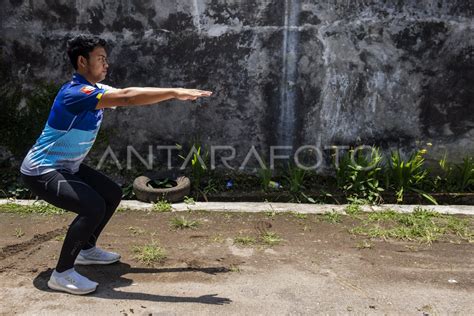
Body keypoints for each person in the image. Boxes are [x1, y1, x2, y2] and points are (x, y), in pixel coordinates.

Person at [20, 34, 212, 295]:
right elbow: (127, 98)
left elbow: (128, 94)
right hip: (42, 169)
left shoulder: (95, 90)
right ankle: (62, 273)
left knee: (111, 193)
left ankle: (86, 250)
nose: (106, 64)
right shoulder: (75, 93)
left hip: (67, 167)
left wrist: (172, 92)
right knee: (92, 206)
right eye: (100, 59)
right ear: (82, 61)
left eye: (106, 59)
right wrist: (175, 92)